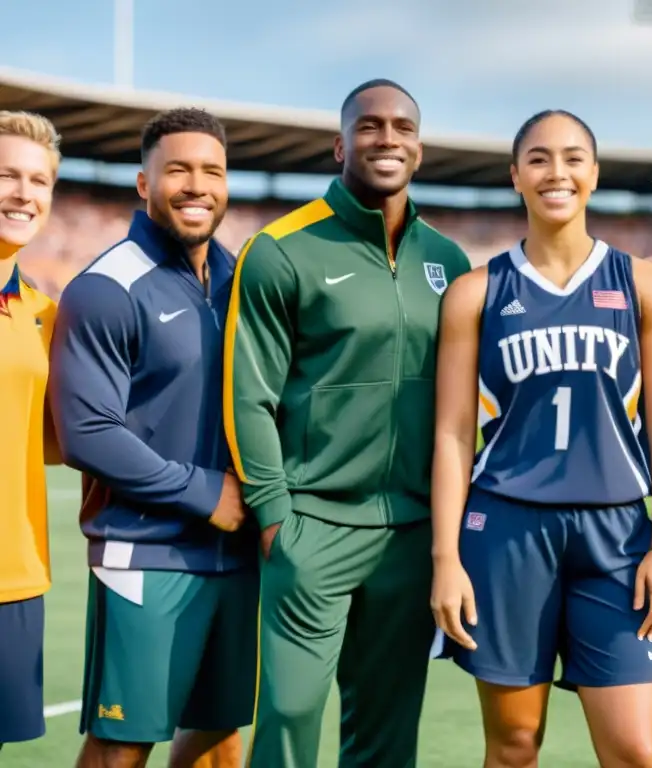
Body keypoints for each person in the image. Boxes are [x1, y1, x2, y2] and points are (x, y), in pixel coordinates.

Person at [430, 109, 652, 768]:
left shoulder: (646, 285)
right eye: (539, 158)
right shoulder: (475, 293)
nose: (557, 172)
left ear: (594, 174)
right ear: (516, 175)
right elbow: (455, 434)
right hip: (506, 531)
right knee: (515, 745)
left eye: (574, 157)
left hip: (618, 535)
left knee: (634, 750)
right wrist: (445, 557)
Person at [225, 79, 472, 768]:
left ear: (419, 148)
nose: (386, 138)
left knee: (388, 731)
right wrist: (277, 517)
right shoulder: (280, 250)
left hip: (410, 534)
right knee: (290, 716)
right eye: (369, 126)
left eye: (402, 127)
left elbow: (463, 408)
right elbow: (250, 397)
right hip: (310, 530)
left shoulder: (449, 263)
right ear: (340, 144)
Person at [48, 107, 255, 768]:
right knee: (122, 747)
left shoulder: (240, 278)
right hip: (145, 554)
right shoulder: (107, 288)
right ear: (145, 183)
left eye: (212, 171)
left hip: (235, 553)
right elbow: (86, 432)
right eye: (179, 170)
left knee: (221, 737)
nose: (197, 185)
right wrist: (205, 493)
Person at [0, 110, 62, 754]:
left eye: (38, 180)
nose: (23, 193)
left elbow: (57, 440)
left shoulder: (46, 313)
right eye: (6, 176)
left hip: (15, 575)